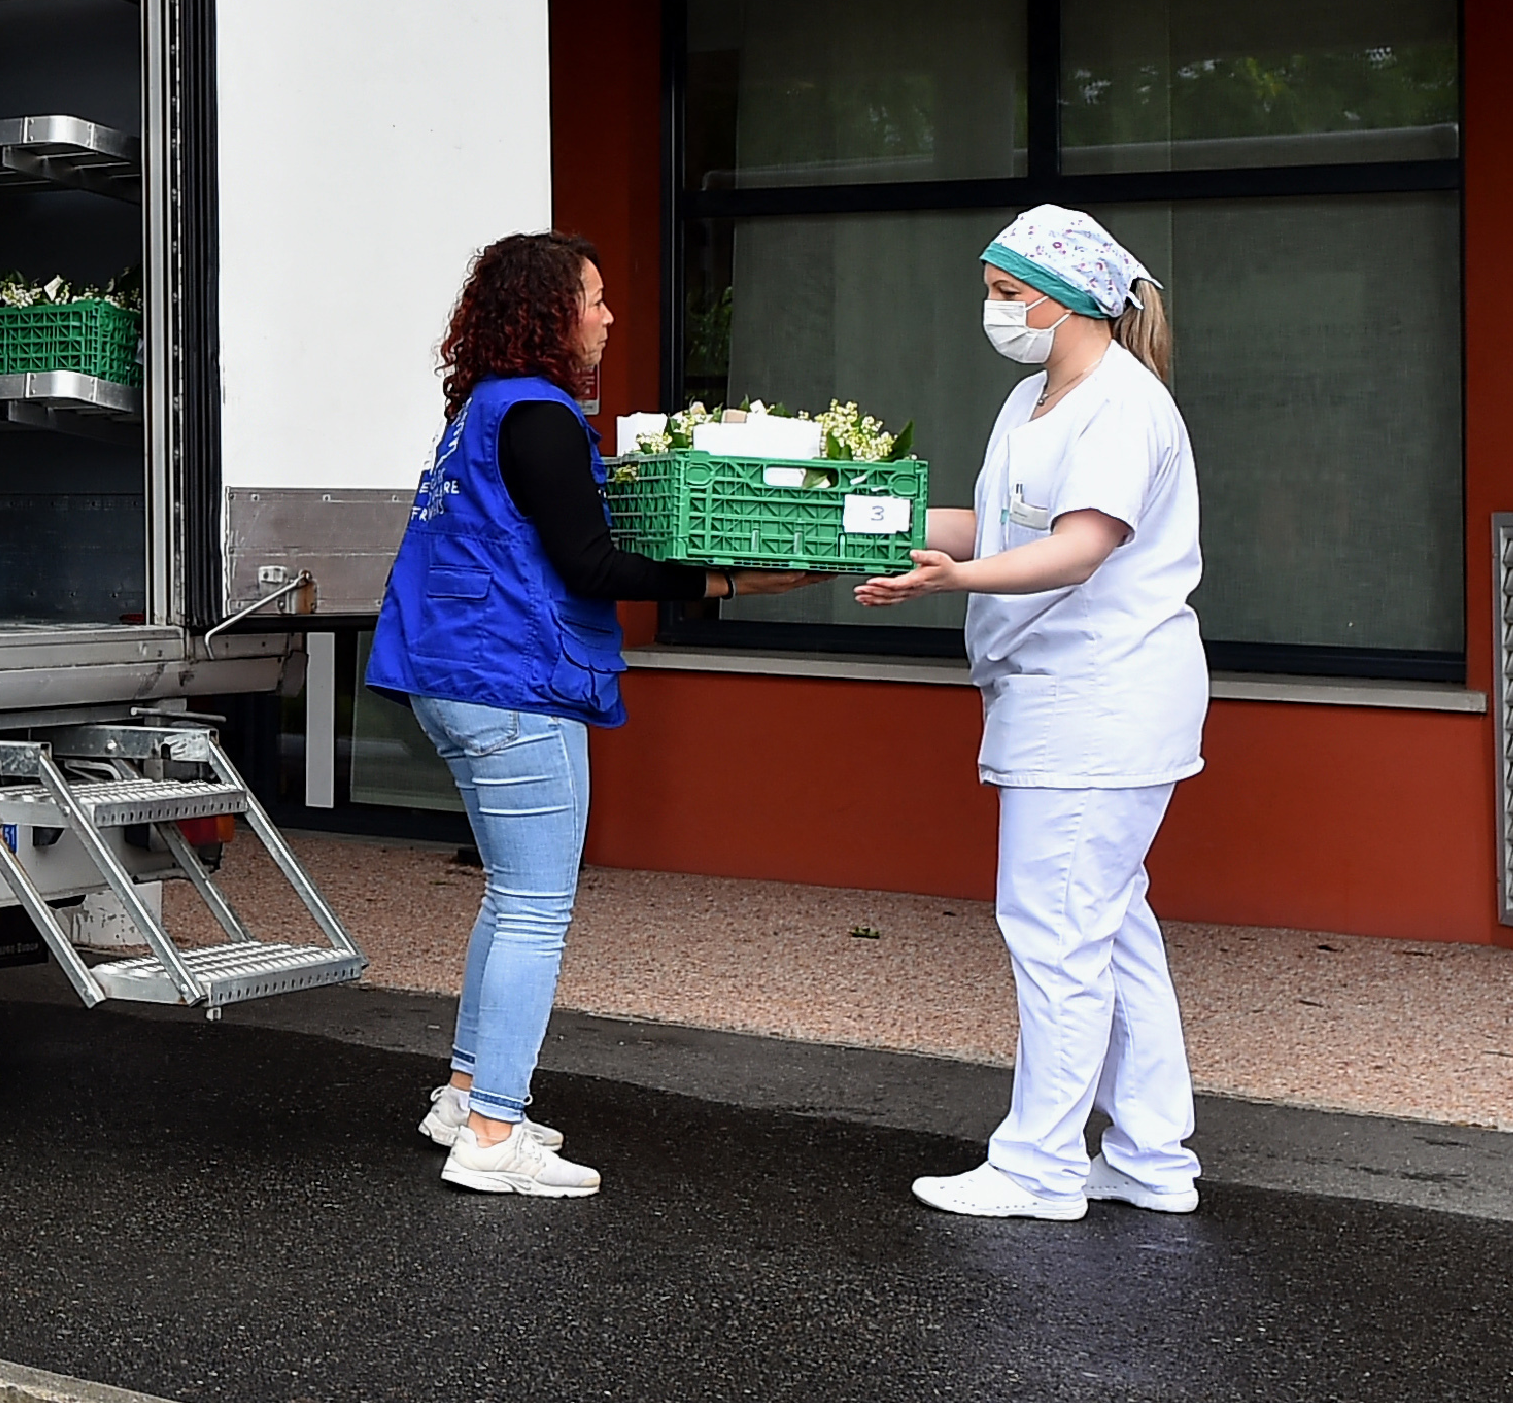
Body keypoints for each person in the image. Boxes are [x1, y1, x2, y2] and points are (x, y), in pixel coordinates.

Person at [370, 231, 803, 1197]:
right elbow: (592, 565)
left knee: (508, 896)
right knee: (534, 906)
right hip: (511, 688)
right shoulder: (540, 417)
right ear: (548, 312)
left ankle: (466, 1094)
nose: (609, 316)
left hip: (454, 679)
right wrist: (732, 578)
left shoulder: (483, 412)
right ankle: (493, 1135)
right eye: (595, 298)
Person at [855, 205, 1202, 1222]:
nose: (992, 308)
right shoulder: (1032, 399)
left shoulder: (1122, 407)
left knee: (1053, 931)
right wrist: (858, 521)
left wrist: (950, 580)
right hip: (1059, 699)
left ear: (1066, 297)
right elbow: (1004, 522)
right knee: (1107, 930)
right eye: (990, 288)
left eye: (1006, 291)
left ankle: (1040, 1166)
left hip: (1097, 699)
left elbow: (1079, 544)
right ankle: (1147, 1158)